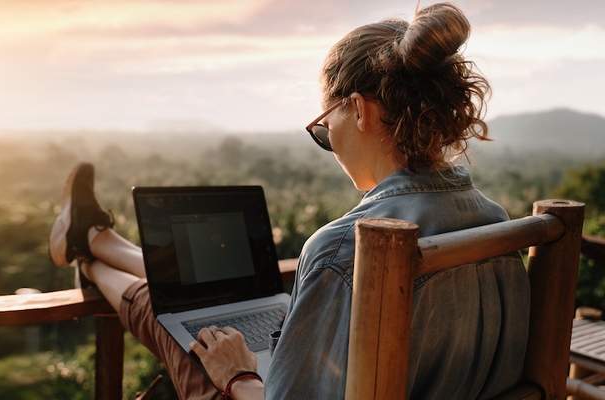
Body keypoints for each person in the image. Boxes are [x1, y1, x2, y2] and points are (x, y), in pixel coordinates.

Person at [47, 3, 529, 399]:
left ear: (358, 110)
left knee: (180, 323)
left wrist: (238, 375)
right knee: (190, 306)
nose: (328, 140)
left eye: (324, 126)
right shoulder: (497, 224)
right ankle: (95, 241)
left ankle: (89, 255)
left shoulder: (347, 249)